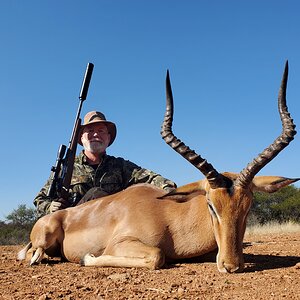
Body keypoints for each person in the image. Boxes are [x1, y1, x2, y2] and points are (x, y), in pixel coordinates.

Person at [34, 111, 176, 218]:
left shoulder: (120, 165)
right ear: (81, 138)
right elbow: (40, 200)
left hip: (109, 228)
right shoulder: (65, 169)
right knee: (96, 194)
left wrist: (169, 189)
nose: (96, 134)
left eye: (101, 131)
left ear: (108, 138)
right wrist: (50, 207)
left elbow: (150, 178)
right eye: (90, 131)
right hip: (73, 227)